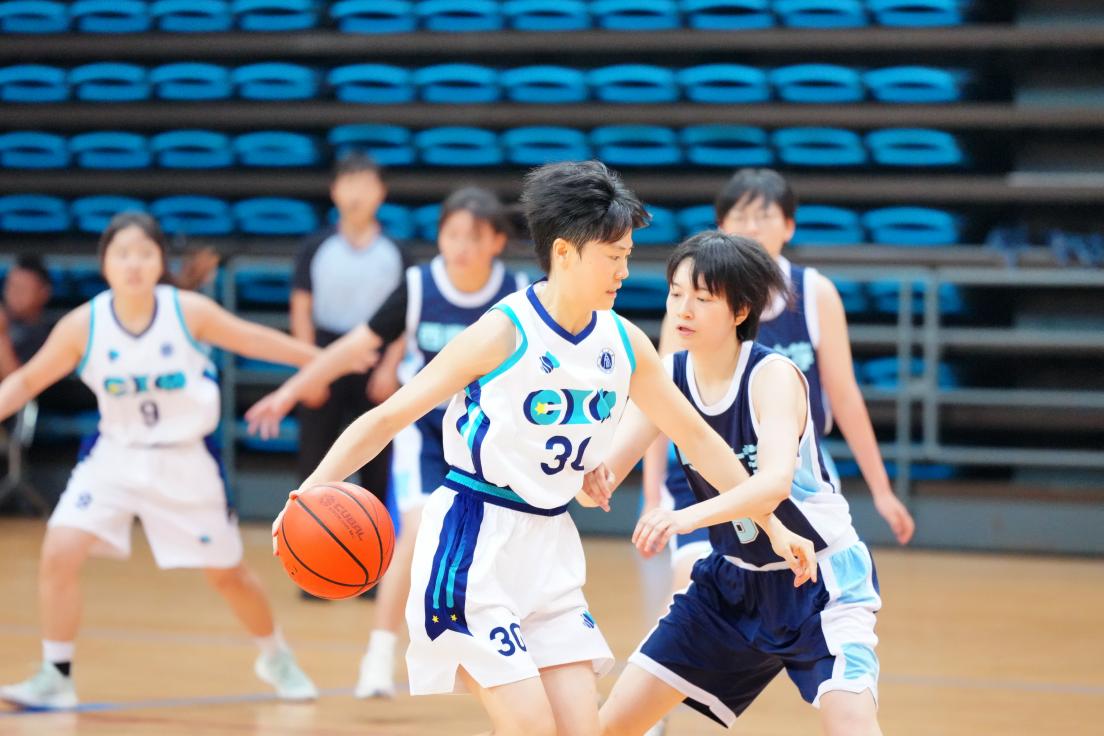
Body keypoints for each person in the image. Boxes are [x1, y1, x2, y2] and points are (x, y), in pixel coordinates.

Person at [271, 161, 816, 736]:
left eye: (628, 256)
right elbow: (386, 417)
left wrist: (773, 525)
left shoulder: (624, 342)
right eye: (614, 256)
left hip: (550, 546)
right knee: (531, 726)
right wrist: (307, 493)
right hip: (474, 540)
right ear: (564, 252)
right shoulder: (504, 331)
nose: (625, 271)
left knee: (582, 729)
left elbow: (700, 440)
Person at [0, 213, 320, 710]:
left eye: (144, 253)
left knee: (227, 574)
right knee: (59, 550)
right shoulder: (83, 325)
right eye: (122, 254)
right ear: (105, 264)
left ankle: (275, 656)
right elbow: (25, 381)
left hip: (184, 460)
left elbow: (254, 339)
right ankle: (55, 675)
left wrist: (320, 358)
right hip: (115, 456)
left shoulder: (186, 311)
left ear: (159, 262)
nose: (133, 264)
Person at [583, 231, 883, 736]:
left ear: (740, 310)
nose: (684, 309)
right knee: (609, 727)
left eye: (703, 298)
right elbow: (606, 470)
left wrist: (682, 517)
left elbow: (773, 485)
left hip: (818, 579)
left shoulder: (773, 376)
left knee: (851, 724)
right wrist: (581, 468)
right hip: (729, 584)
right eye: (676, 293)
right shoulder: (667, 377)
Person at [245, 187, 527, 699]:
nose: (461, 246)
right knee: (416, 532)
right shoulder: (419, 286)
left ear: (497, 242)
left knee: (501, 548)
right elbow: (354, 345)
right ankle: (378, 656)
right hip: (424, 433)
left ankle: (507, 656)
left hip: (489, 439)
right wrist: (289, 392)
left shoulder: (518, 295)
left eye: (474, 237)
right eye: (452, 234)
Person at [641, 170, 914, 623]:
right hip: (703, 474)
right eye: (740, 216)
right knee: (690, 594)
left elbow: (844, 396)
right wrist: (652, 495)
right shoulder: (687, 309)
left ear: (789, 225)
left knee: (800, 600)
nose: (751, 227)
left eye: (764, 216)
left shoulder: (814, 293)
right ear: (721, 227)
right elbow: (660, 405)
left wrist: (882, 491)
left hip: (791, 469)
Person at [290, 152, 404, 512]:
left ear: (381, 192)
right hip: (325, 352)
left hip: (377, 358)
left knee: (377, 458)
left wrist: (389, 368)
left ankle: (376, 535)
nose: (356, 194)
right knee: (315, 456)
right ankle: (304, 527)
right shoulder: (315, 247)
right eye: (349, 183)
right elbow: (301, 308)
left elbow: (407, 315)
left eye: (366, 184)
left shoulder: (395, 251)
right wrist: (311, 370)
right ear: (334, 190)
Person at [0, 255, 54, 379]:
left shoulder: (47, 337)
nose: (14, 294)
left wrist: (1, 335)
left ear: (43, 292)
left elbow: (21, 384)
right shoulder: (8, 324)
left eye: (22, 289)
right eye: (10, 286)